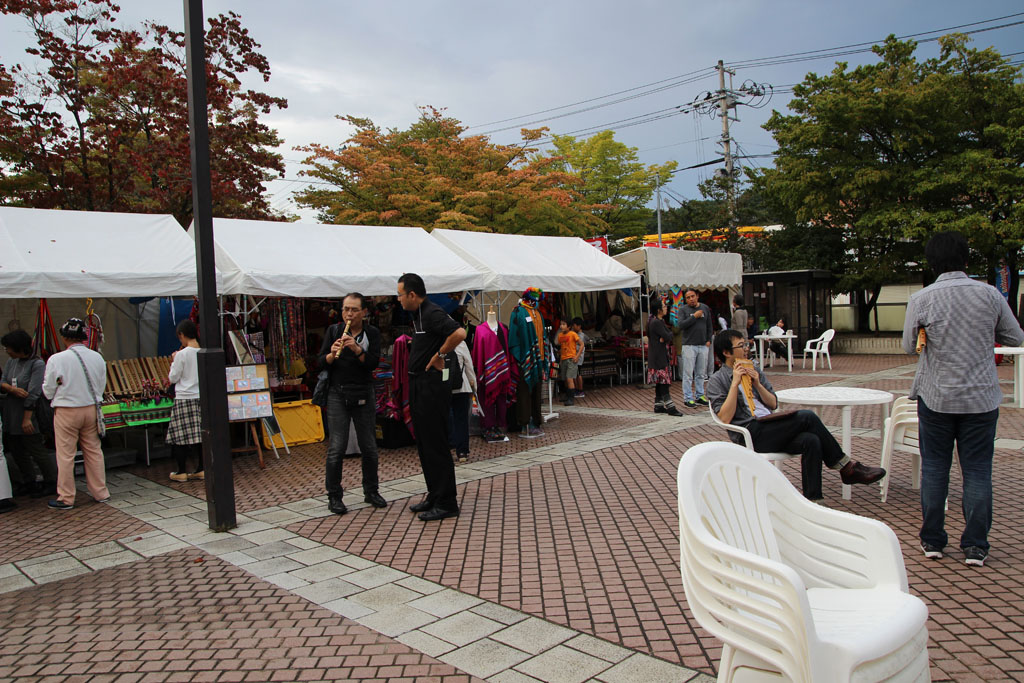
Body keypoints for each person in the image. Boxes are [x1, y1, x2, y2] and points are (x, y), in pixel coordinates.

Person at [903, 231, 1024, 567]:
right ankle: (975, 546)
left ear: (931, 263)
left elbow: (906, 345)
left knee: (935, 469)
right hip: (981, 398)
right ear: (966, 260)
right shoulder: (990, 295)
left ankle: (932, 541)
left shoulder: (921, 299)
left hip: (936, 396)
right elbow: (1015, 336)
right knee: (977, 471)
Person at [707, 328, 886, 500]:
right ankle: (846, 467)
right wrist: (734, 383)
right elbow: (724, 418)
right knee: (807, 416)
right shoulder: (718, 380)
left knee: (811, 440)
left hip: (770, 425)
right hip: (750, 432)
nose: (747, 348)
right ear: (727, 352)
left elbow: (773, 403)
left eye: (746, 344)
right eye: (741, 345)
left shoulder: (754, 369)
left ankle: (814, 499)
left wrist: (757, 384)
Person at [397, 273, 466, 521]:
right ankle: (435, 494)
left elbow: (459, 333)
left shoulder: (432, 312)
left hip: (432, 387)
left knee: (436, 444)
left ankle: (447, 502)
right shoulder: (418, 316)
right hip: (418, 384)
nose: (399, 300)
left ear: (412, 295)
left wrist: (439, 353)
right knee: (424, 444)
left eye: (400, 295)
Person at [318, 292, 387, 515]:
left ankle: (371, 490)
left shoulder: (372, 333)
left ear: (364, 312)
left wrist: (357, 350)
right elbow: (321, 362)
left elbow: (373, 363)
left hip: (363, 392)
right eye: (346, 309)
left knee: (369, 446)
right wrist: (331, 354)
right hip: (337, 393)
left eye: (354, 310)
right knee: (337, 447)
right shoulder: (334, 331)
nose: (349, 314)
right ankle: (334, 496)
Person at [42, 318, 110, 510]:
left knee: (65, 455)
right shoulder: (97, 357)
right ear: (84, 337)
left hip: (66, 410)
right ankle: (100, 492)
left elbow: (48, 390)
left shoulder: (57, 359)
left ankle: (66, 497)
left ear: (64, 337)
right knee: (94, 451)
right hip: (91, 408)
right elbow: (101, 385)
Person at [1, 329, 57, 497]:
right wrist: (12, 389)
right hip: (11, 413)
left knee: (35, 448)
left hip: (28, 414)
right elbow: (2, 381)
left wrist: (27, 418)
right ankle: (29, 481)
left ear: (18, 347)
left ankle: (51, 481)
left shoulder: (37, 364)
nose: (6, 351)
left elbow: (33, 393)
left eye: (8, 348)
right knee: (17, 450)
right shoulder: (11, 362)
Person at [166, 320, 204, 483]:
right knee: (200, 434)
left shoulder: (181, 354)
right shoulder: (203, 351)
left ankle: (181, 471)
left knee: (180, 436)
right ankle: (202, 469)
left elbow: (173, 377)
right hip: (200, 396)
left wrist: (174, 359)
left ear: (182, 335)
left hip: (184, 397)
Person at [676, 288, 714, 408]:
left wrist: (708, 339)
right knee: (688, 373)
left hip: (703, 345)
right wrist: (694, 317)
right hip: (689, 345)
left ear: (697, 296)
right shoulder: (683, 310)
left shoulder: (705, 308)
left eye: (692, 296)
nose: (691, 299)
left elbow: (709, 325)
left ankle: (700, 395)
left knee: (701, 373)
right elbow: (681, 325)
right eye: (688, 297)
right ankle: (688, 398)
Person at [648, 298, 683, 416]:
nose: (666, 308)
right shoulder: (656, 322)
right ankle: (670, 406)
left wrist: (665, 337)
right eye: (663, 306)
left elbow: (666, 336)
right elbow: (668, 336)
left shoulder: (654, 321)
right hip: (659, 357)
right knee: (663, 382)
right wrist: (667, 336)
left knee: (659, 382)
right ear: (658, 310)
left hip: (657, 355)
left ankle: (658, 405)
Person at [448, 339, 476, 463]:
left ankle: (448, 446)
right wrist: (473, 385)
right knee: (461, 419)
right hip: (461, 386)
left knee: (446, 418)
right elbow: (469, 364)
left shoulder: (437, 342)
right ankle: (462, 452)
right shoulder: (460, 343)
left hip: (443, 388)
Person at [557, 318, 583, 405]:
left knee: (569, 378)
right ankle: (567, 396)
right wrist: (560, 359)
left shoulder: (573, 334)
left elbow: (582, 344)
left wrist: (577, 356)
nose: (561, 326)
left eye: (564, 324)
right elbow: (561, 348)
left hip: (571, 359)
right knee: (564, 378)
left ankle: (571, 399)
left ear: (569, 326)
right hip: (564, 359)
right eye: (561, 324)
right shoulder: (560, 336)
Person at [571, 317, 586, 399]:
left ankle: (580, 390)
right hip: (577, 357)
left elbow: (579, 346)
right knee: (576, 374)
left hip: (578, 358)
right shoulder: (578, 334)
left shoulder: (581, 335)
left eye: (574, 326)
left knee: (578, 374)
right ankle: (577, 390)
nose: (573, 328)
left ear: (579, 326)